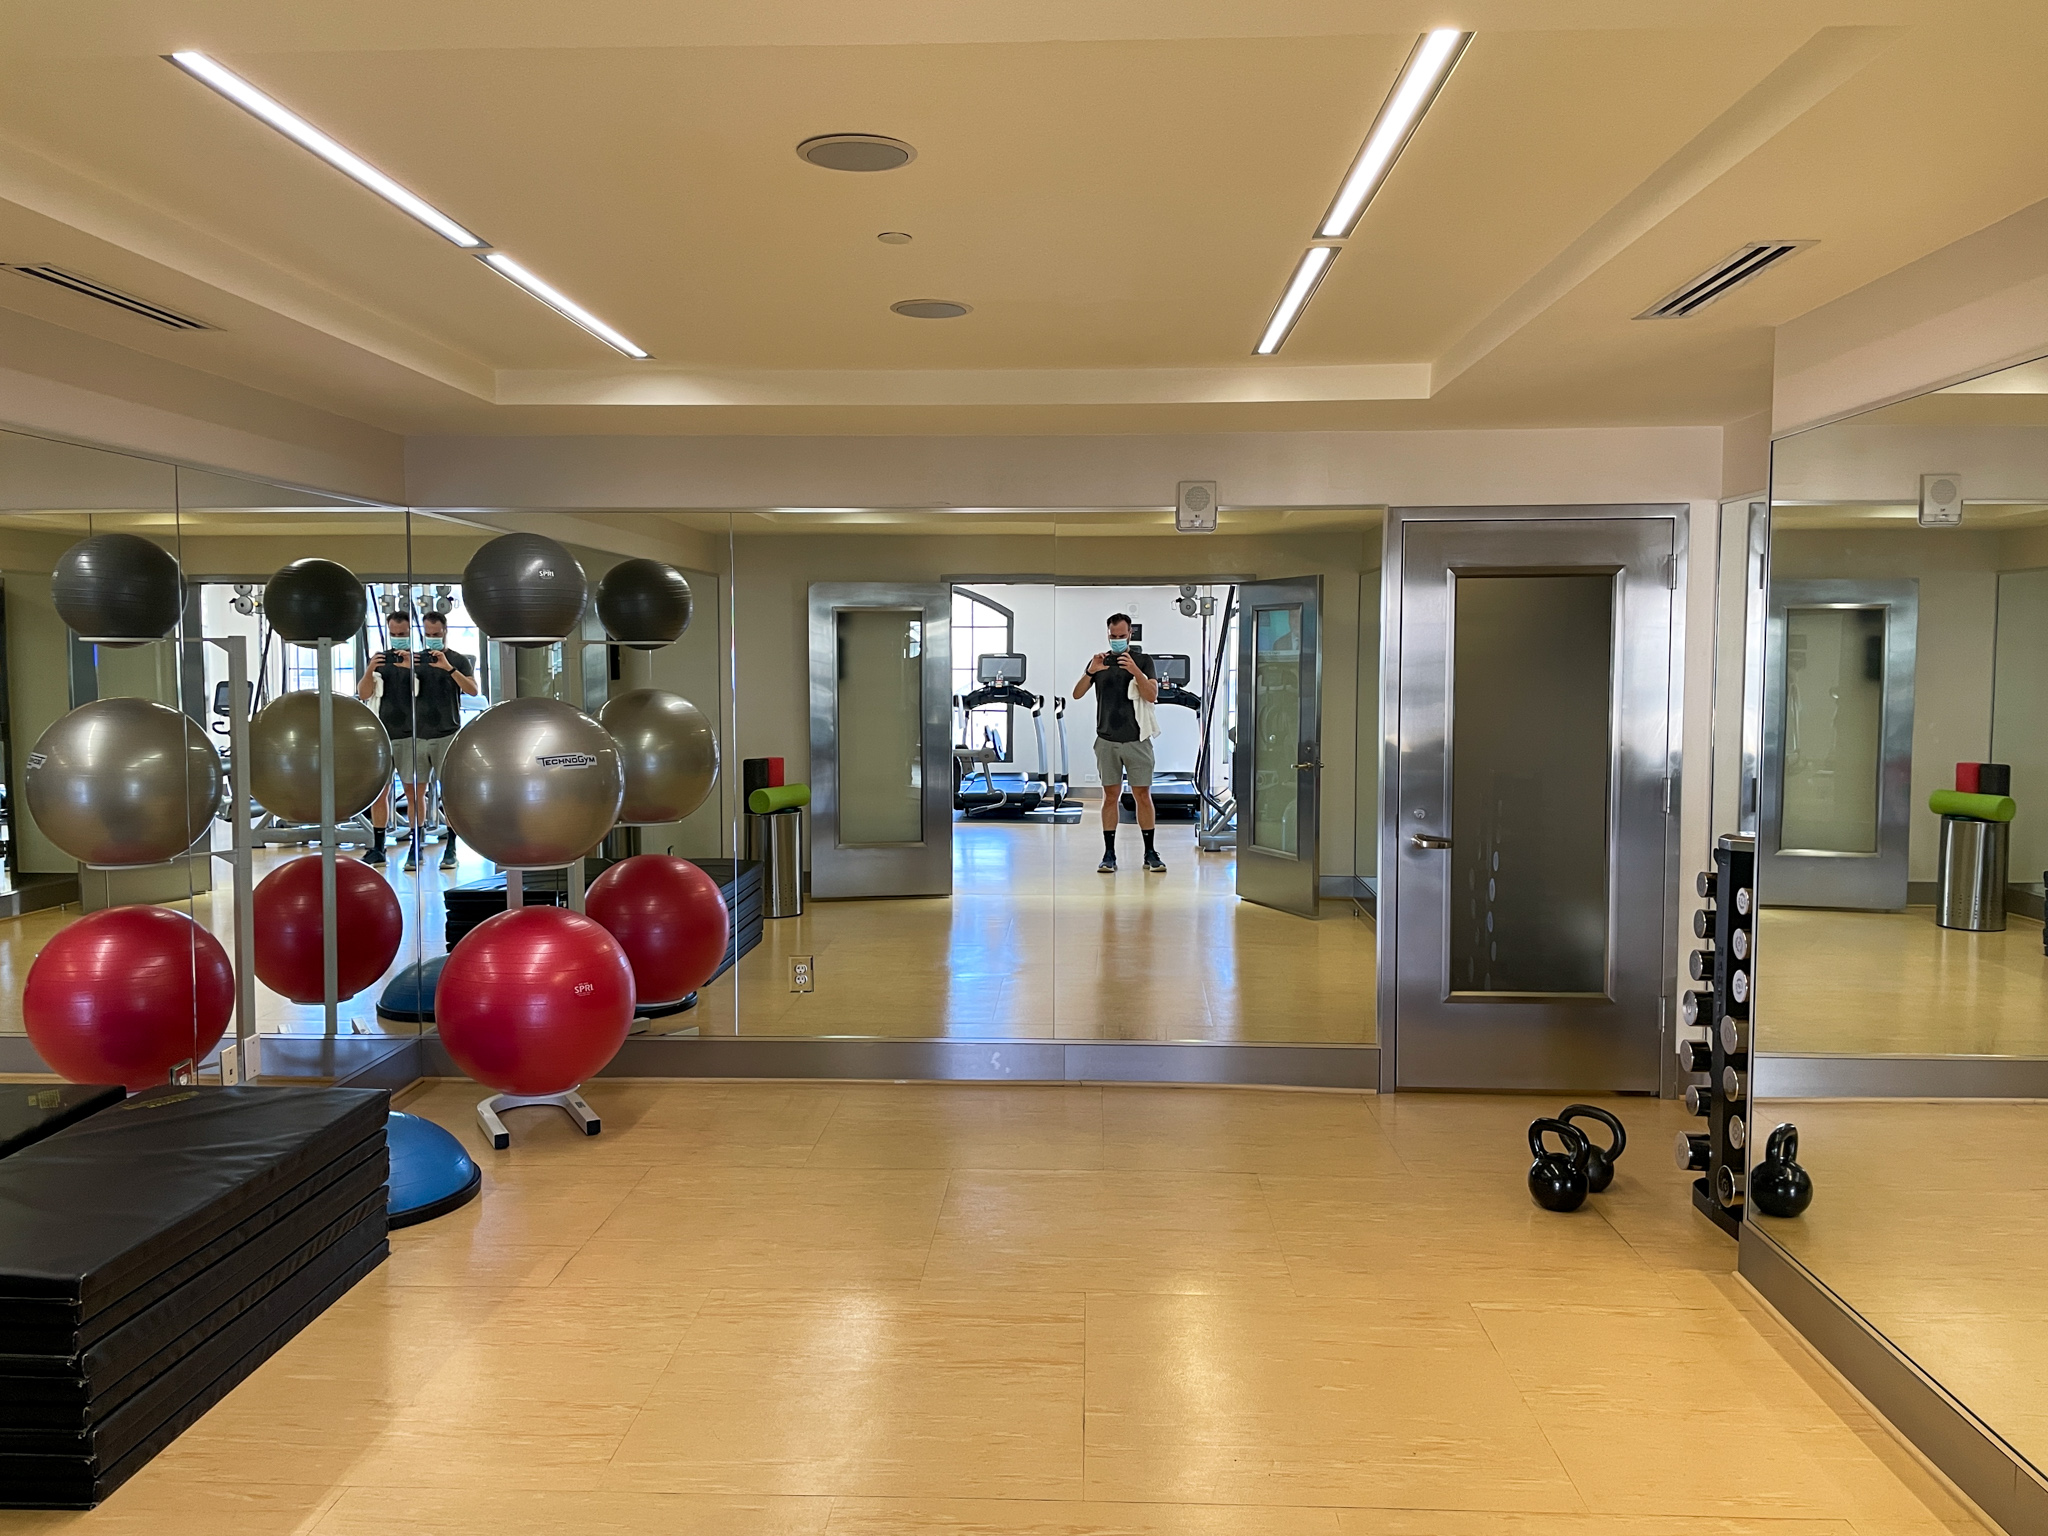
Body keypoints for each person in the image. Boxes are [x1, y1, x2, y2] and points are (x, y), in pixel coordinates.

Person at [358, 608, 477, 871]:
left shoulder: (455, 660)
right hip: (405, 735)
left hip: (444, 733)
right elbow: (365, 693)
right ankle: (396, 846)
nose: (398, 638)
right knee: (403, 792)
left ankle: (451, 847)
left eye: (436, 633)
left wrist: (447, 668)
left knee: (447, 794)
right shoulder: (402, 660)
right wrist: (373, 668)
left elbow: (472, 689)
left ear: (445, 631)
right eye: (394, 634)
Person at [1074, 612, 1165, 874]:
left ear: (1130, 634)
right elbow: (1077, 693)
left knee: (1142, 796)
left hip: (1137, 740)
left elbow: (1151, 695)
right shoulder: (1099, 663)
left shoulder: (1143, 661)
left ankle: (1150, 852)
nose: (1116, 640)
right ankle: (1109, 853)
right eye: (1112, 636)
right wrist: (1092, 670)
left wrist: (1134, 670)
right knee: (1110, 796)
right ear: (1107, 634)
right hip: (1106, 740)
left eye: (1121, 636)